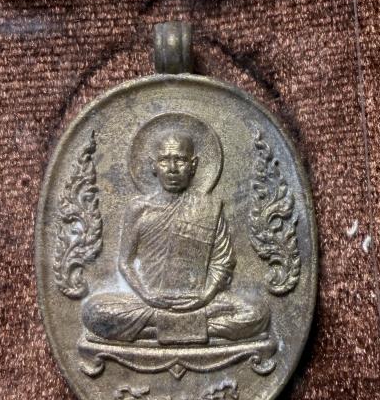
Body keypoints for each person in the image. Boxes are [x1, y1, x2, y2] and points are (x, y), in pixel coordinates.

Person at [82, 129, 270, 344]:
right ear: (153, 165)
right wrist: (148, 295)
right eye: (164, 160)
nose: (172, 169)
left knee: (257, 312)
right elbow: (125, 262)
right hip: (149, 302)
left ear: (193, 165)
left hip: (200, 301)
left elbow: (223, 261)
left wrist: (205, 296)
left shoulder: (208, 207)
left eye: (180, 160)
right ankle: (194, 330)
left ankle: (154, 332)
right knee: (94, 311)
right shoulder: (139, 209)